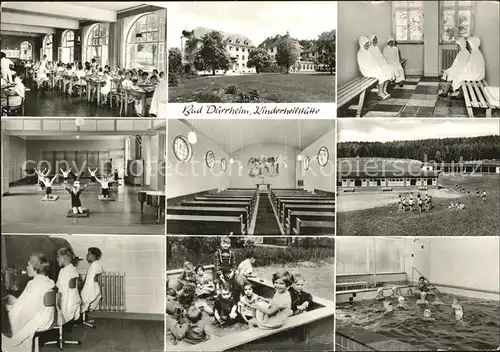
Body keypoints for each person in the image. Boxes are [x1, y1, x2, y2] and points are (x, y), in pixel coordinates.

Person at [1, 253, 56, 352]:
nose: (26, 268)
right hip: (47, 317)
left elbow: (28, 309)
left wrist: (11, 308)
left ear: (35, 267)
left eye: (28, 265)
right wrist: (16, 302)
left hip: (37, 320)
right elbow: (31, 302)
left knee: (5, 318)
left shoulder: (34, 283)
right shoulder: (47, 281)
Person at [56, 247, 81, 324]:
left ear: (64, 257)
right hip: (74, 300)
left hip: (67, 304)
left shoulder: (63, 271)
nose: (57, 259)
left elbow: (60, 290)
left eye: (58, 257)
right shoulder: (73, 268)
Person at [80, 247, 104, 322]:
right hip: (92, 286)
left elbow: (91, 279)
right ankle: (83, 317)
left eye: (88, 254)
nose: (86, 255)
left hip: (91, 287)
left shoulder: (94, 265)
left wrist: (83, 286)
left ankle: (81, 318)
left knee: (84, 298)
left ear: (93, 256)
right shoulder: (94, 264)